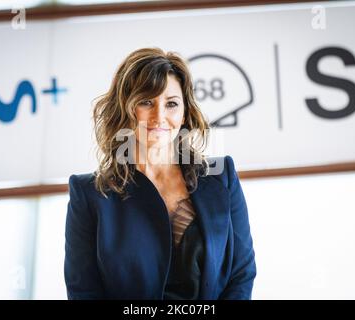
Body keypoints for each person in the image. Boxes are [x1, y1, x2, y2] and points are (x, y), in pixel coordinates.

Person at [64, 47, 256, 300]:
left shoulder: (221, 178)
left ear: (185, 112)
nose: (159, 116)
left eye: (172, 104)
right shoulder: (89, 193)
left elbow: (241, 274)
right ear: (125, 108)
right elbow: (84, 292)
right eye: (146, 102)